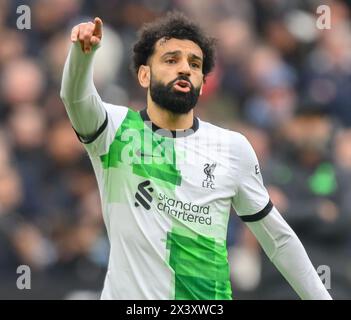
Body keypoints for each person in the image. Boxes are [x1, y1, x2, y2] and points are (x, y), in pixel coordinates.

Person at [60, 12, 332, 300]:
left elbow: (278, 239)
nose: (185, 69)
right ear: (144, 74)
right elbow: (75, 98)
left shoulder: (231, 148)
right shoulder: (115, 131)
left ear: (202, 82)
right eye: (171, 59)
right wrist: (81, 55)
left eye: (194, 64)